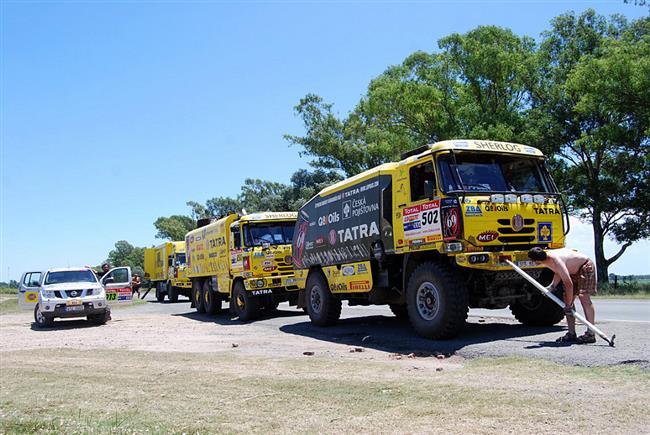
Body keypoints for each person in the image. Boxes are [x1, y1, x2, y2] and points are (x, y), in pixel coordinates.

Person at [527, 247, 597, 344]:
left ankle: (591, 334)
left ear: (536, 260)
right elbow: (558, 272)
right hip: (571, 271)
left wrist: (569, 304)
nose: (533, 263)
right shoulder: (547, 259)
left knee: (583, 297)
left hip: (584, 267)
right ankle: (571, 333)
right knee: (566, 299)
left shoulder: (555, 260)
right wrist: (551, 287)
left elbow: (569, 284)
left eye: (533, 261)